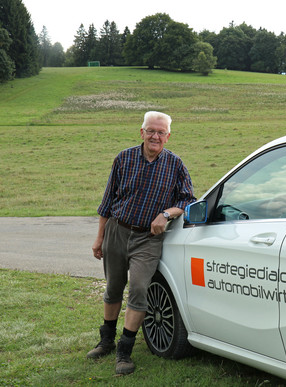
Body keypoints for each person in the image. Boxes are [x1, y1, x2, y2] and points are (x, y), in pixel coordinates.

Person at [88, 111, 195, 375]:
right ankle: (106, 341)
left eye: (160, 132)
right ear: (142, 132)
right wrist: (100, 237)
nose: (155, 136)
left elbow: (187, 199)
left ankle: (125, 350)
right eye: (151, 131)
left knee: (138, 288)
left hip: (148, 238)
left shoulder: (175, 164)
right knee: (113, 287)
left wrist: (166, 214)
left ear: (168, 136)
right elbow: (107, 201)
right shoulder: (124, 158)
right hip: (117, 230)